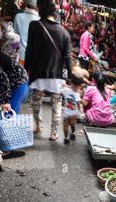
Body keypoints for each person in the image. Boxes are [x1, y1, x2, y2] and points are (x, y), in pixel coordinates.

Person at [25, 0, 72, 141]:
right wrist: (69, 77)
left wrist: (26, 69)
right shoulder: (65, 33)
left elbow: (29, 50)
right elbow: (67, 58)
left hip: (38, 72)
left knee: (36, 101)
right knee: (56, 103)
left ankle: (39, 126)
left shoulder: (34, 26)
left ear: (40, 9)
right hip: (56, 74)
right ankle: (54, 133)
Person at [14, 0, 40, 66]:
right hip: (35, 57)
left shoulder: (18, 16)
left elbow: (16, 37)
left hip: (21, 56)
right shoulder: (40, 19)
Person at [62, 75, 84, 144]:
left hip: (66, 113)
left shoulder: (65, 90)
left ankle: (66, 138)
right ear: (80, 85)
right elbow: (78, 104)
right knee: (73, 124)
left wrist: (65, 86)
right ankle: (73, 133)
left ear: (71, 82)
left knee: (65, 125)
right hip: (74, 113)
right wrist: (79, 111)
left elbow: (60, 91)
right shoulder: (77, 94)